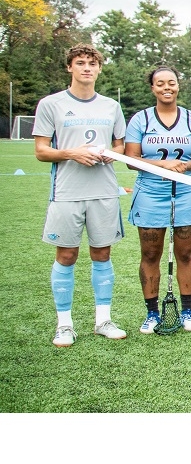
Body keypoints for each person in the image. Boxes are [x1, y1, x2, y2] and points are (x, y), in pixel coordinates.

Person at [33, 43, 128, 347]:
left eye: (92, 63)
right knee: (67, 255)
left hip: (103, 191)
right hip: (68, 192)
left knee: (102, 253)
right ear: (69, 67)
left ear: (99, 68)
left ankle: (103, 320)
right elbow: (41, 151)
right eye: (80, 62)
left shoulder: (111, 106)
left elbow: (120, 146)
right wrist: (71, 153)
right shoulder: (51, 104)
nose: (87, 68)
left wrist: (112, 154)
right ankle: (64, 324)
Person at [125, 66, 191, 334]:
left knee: (185, 254)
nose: (166, 87)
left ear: (178, 86)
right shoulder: (141, 120)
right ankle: (151, 313)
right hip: (150, 194)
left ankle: (187, 310)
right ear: (152, 88)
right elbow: (131, 160)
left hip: (185, 194)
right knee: (151, 253)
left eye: (171, 82)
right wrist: (163, 164)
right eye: (160, 83)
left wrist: (184, 167)